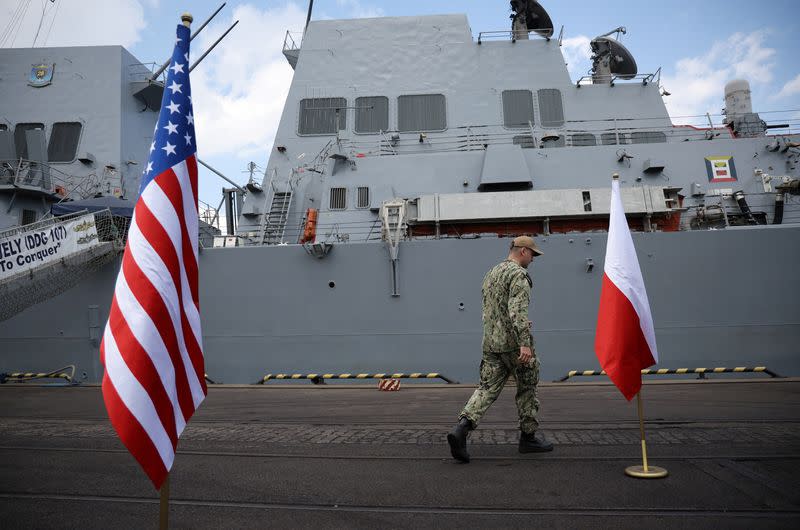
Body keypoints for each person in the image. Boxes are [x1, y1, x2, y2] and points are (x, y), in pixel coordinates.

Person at [447, 235, 553, 463]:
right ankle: (528, 438)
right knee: (527, 388)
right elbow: (516, 311)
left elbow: (493, 310)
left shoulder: (492, 273)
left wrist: (514, 325)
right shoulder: (519, 275)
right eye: (532, 254)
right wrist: (524, 342)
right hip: (514, 345)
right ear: (523, 251)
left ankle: (461, 429)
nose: (533, 259)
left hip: (491, 343)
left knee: (486, 389)